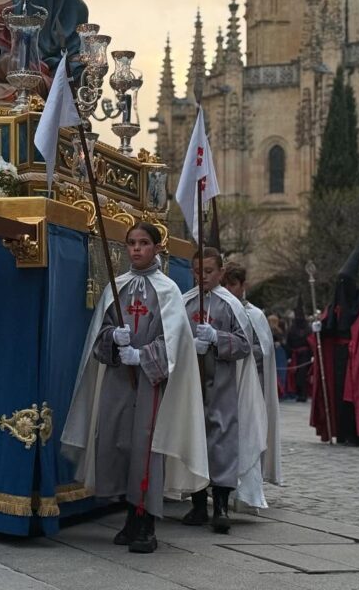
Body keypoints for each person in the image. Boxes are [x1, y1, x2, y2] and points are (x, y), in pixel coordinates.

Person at [62, 223, 208, 554]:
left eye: (144, 243)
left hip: (152, 382)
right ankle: (130, 514)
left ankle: (146, 521)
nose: (136, 249)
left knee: (145, 449)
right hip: (119, 379)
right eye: (131, 243)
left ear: (157, 248)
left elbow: (176, 343)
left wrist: (142, 354)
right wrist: (113, 338)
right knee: (120, 444)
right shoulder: (117, 287)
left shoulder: (168, 291)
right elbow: (99, 335)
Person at [180, 247, 262, 533]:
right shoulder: (185, 302)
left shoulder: (230, 305)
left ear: (221, 272)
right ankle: (198, 503)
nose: (202, 276)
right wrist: (191, 344)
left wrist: (217, 338)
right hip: (193, 384)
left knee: (221, 440)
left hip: (222, 384)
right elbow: (171, 340)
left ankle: (222, 505)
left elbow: (244, 345)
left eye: (209, 271)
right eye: (197, 271)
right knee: (195, 439)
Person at [309, 243, 359, 446]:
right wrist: (319, 328)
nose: (343, 286)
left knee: (355, 396)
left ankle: (358, 432)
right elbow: (329, 325)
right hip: (337, 357)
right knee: (337, 395)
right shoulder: (335, 303)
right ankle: (340, 431)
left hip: (358, 357)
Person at [222, 262, 282, 509]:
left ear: (243, 286)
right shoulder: (217, 307)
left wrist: (235, 348)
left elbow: (263, 351)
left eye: (232, 284)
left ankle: (247, 493)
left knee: (247, 436)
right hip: (222, 385)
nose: (228, 289)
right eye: (225, 283)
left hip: (249, 387)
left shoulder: (254, 315)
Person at [285, 297, 312, 402]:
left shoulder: (307, 328)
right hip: (295, 354)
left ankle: (303, 394)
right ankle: (298, 393)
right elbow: (289, 342)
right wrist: (289, 354)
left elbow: (311, 341)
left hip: (305, 355)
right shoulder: (292, 328)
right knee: (296, 375)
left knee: (303, 374)